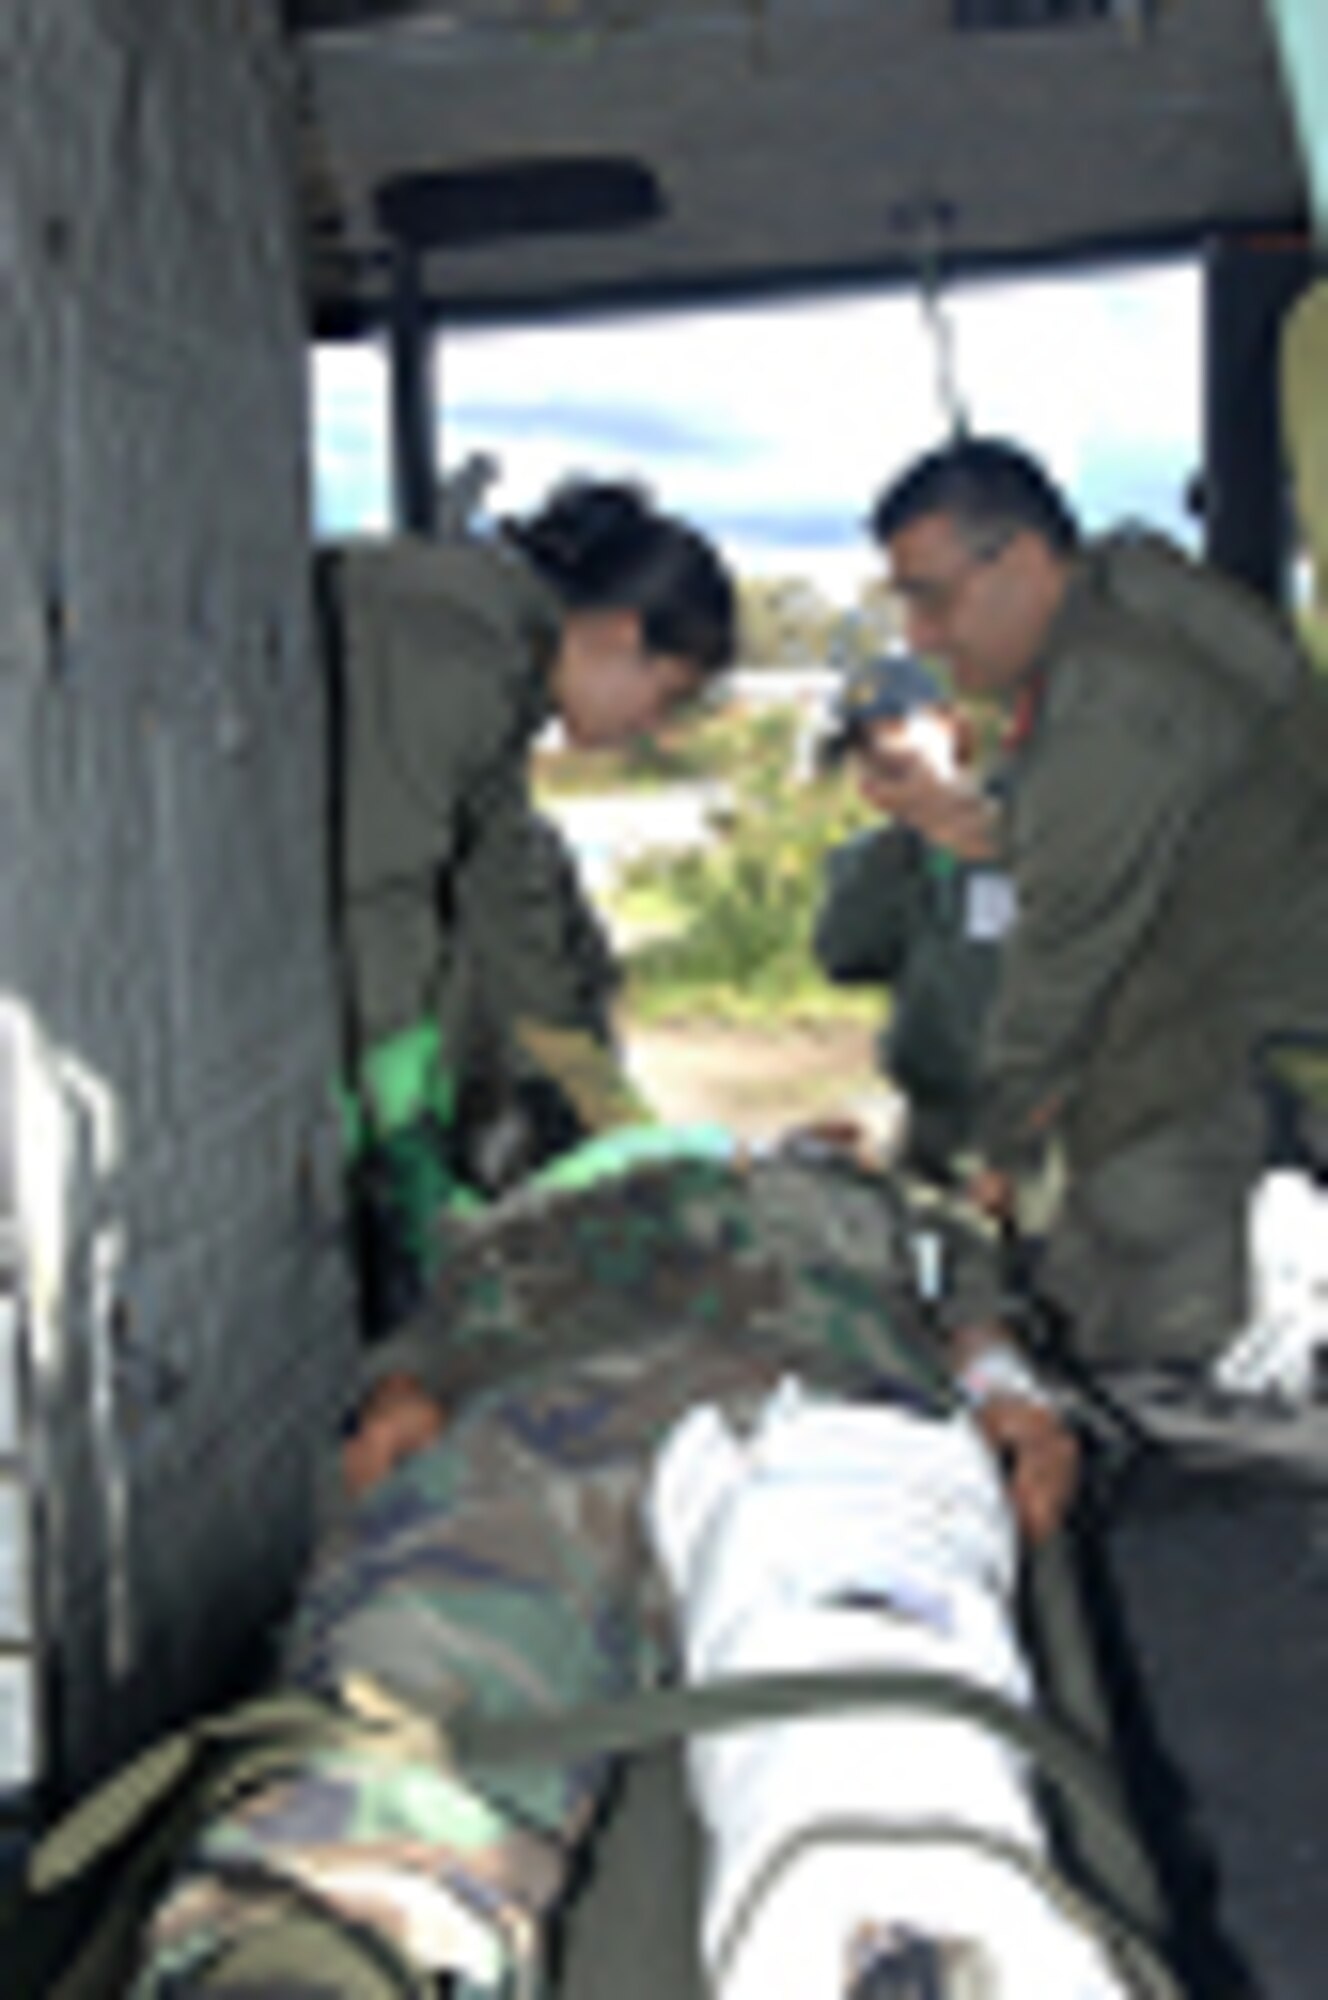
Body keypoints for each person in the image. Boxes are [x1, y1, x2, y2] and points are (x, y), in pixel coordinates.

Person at [96, 1137, 1165, 2000]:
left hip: (809, 1399)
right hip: (551, 1405)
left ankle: (909, 1937)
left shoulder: (887, 1206)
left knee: (864, 1670)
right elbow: (432, 1323)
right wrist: (401, 1380)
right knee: (412, 1672)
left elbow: (978, 1313)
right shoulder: (541, 1210)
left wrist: (1008, 1388)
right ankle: (327, 1951)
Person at [867, 436, 1328, 1374]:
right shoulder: (1108, 640)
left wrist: (990, 1148)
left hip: (1230, 1083)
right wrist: (970, 821)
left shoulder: (1118, 696)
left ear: (1025, 561)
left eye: (932, 597)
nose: (918, 635)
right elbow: (1135, 838)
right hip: (1192, 1052)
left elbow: (1063, 949)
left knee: (1179, 1398)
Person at [319, 479, 737, 1321]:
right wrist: (403, 1128)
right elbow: (379, 897)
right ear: (622, 635)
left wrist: (602, 1099)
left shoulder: (504, 658)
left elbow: (509, 898)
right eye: (669, 696)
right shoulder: (452, 646)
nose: (655, 730)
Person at [812, 652, 1011, 1184]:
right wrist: (907, 841)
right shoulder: (883, 861)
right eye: (860, 745)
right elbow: (843, 954)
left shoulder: (1039, 825)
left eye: (896, 725)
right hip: (936, 1128)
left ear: (953, 728)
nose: (881, 751)